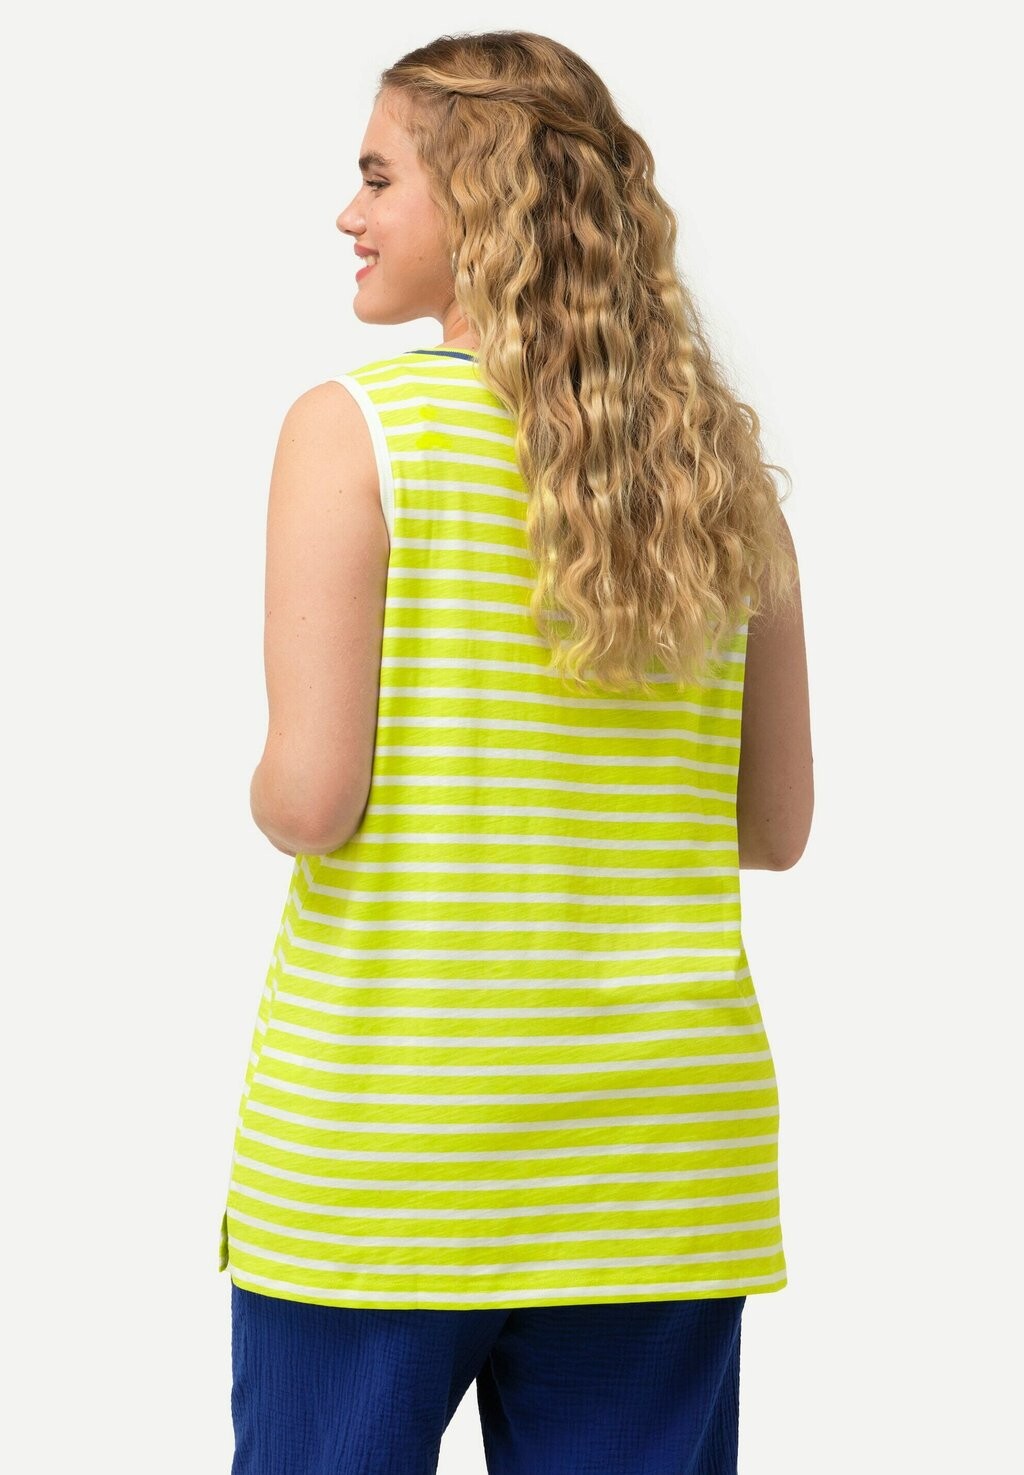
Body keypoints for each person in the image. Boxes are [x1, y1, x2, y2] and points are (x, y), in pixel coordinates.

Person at [219, 29, 813, 1475]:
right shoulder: (715, 472)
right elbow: (774, 825)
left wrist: (266, 781)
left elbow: (312, 799)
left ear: (481, 196)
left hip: (393, 1147)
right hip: (660, 1161)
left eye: (379, 179)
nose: (349, 213)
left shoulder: (357, 433)